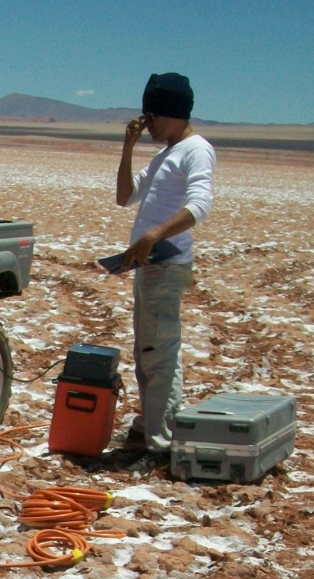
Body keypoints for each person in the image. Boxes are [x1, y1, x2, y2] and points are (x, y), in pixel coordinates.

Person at [113, 73, 215, 475]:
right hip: (149, 265)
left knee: (161, 355)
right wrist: (128, 147)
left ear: (171, 113)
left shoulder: (196, 150)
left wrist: (155, 234)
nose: (147, 124)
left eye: (151, 117)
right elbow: (124, 196)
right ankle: (147, 428)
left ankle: (161, 444)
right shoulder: (165, 155)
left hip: (166, 264)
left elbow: (200, 205)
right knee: (147, 351)